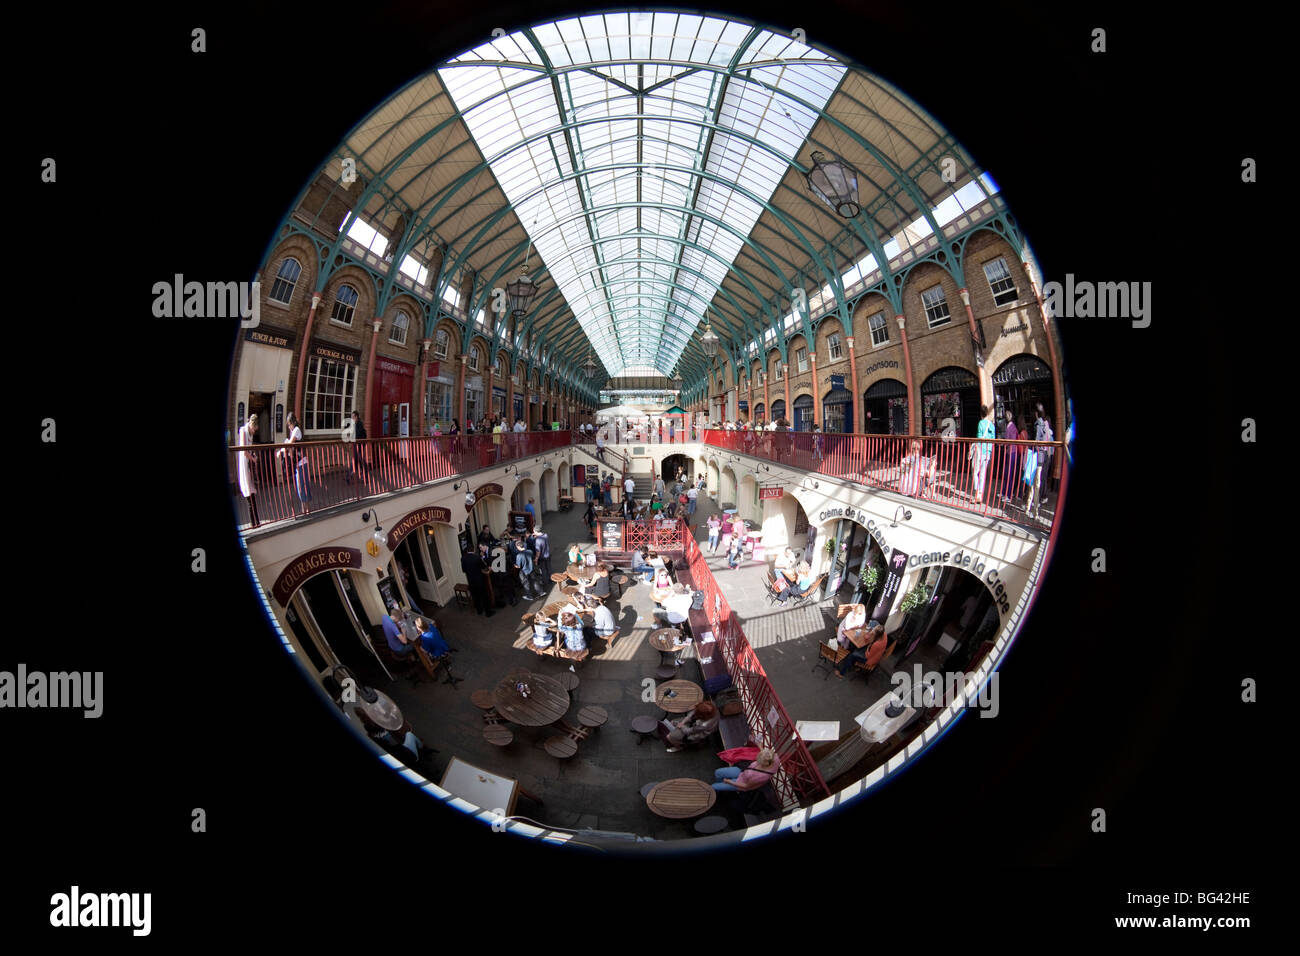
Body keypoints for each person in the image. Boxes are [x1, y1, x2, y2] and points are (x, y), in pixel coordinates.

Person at [282, 412, 311, 516]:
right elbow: (291, 448)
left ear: (292, 423)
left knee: (302, 486)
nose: (288, 426)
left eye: (289, 424)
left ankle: (306, 511)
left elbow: (290, 444)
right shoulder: (293, 431)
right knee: (301, 486)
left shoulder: (296, 430)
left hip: (301, 462)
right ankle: (306, 510)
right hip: (299, 462)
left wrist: (283, 447)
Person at [711, 748, 779, 792]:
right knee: (718, 772)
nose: (756, 760)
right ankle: (721, 784)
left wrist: (729, 782)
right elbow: (766, 754)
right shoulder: (774, 758)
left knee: (713, 787)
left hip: (741, 782)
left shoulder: (760, 777)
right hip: (743, 772)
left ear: (764, 763)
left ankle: (721, 786)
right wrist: (759, 745)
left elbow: (746, 786)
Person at [236, 413, 260, 527]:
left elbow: (248, 450)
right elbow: (244, 452)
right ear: (251, 425)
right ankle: (254, 522)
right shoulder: (244, 431)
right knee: (249, 493)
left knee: (251, 492)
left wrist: (253, 455)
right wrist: (253, 459)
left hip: (248, 465)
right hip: (245, 465)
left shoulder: (249, 432)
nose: (254, 432)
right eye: (254, 429)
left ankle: (256, 522)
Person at [972, 404, 995, 504]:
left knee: (975, 471)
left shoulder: (981, 423)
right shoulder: (992, 425)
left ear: (981, 414)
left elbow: (979, 437)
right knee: (982, 473)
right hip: (988, 450)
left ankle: (977, 494)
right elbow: (993, 439)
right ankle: (980, 494)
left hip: (980, 449)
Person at [460, 547, 493, 617]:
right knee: (484, 596)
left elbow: (464, 570)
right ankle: (488, 612)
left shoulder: (463, 558)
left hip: (471, 581)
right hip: (479, 581)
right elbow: (485, 567)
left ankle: (479, 611)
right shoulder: (477, 558)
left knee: (475, 596)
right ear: (473, 550)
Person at [1000, 409, 1019, 503]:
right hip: (1013, 452)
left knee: (1008, 473)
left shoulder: (1008, 427)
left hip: (1010, 452)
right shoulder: (1013, 426)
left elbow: (1007, 441)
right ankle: (1004, 492)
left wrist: (1002, 443)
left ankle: (1008, 495)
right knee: (1008, 473)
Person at [347, 410, 368, 485]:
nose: (352, 418)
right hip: (356, 445)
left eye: (353, 417)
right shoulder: (355, 424)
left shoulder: (359, 424)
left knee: (360, 461)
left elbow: (357, 434)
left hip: (360, 446)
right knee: (355, 461)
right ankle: (350, 476)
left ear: (356, 417)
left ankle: (364, 476)